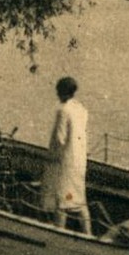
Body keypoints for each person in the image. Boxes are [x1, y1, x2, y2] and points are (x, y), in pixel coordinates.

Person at [41, 76, 90, 234]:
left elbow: (59, 139)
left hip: (65, 162)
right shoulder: (81, 109)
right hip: (79, 161)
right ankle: (88, 234)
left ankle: (58, 234)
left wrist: (50, 157)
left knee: (62, 201)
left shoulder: (63, 111)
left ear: (61, 92)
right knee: (78, 200)